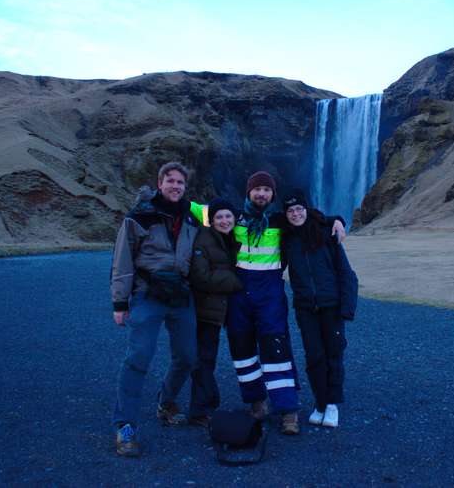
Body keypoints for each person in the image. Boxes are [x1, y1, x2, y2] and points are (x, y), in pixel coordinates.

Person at [225, 171, 346, 435]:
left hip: (270, 295)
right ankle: (256, 402)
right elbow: (198, 212)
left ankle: (288, 409)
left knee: (277, 349)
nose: (261, 194)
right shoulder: (233, 218)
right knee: (242, 351)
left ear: (273, 195)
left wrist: (335, 219)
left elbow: (307, 218)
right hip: (238, 295)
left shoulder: (280, 221)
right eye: (256, 189)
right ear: (248, 192)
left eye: (266, 190)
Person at [109, 161, 200, 457]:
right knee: (138, 359)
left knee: (187, 356)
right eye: (170, 181)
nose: (176, 186)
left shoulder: (192, 217)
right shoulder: (139, 216)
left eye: (180, 182)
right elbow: (122, 259)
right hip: (147, 295)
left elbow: (230, 218)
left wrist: (332, 221)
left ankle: (166, 401)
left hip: (181, 295)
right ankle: (125, 426)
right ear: (159, 183)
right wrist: (120, 303)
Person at [281, 189, 358, 429]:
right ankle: (320, 403)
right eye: (290, 210)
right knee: (314, 357)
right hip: (305, 308)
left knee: (334, 355)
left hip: (331, 305)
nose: (295, 214)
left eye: (299, 209)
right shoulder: (286, 239)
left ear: (306, 209)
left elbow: (346, 273)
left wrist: (347, 307)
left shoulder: (326, 234)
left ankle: (333, 404)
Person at [187, 198, 243, 428]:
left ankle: (206, 403)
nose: (224, 220)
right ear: (212, 219)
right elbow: (201, 276)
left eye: (228, 216)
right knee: (204, 357)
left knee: (209, 356)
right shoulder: (203, 237)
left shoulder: (234, 237)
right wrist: (238, 281)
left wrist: (334, 220)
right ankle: (200, 409)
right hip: (206, 308)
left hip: (226, 307)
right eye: (219, 216)